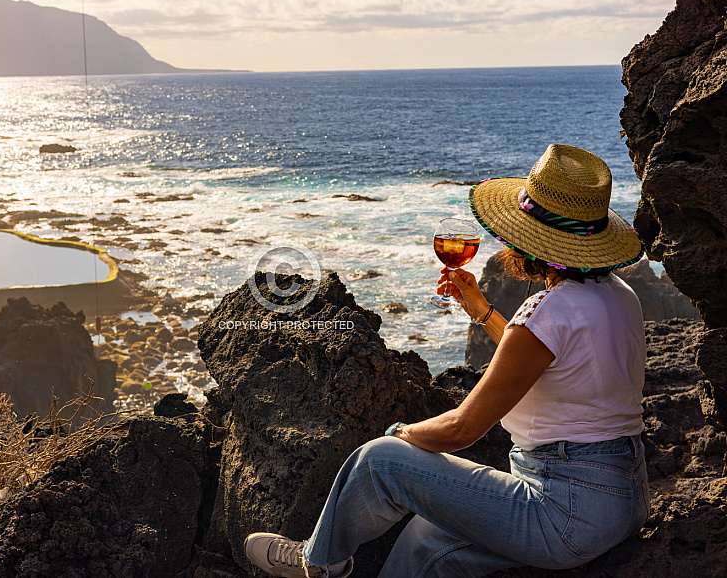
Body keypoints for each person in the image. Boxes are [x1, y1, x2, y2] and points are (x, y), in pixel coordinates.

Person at [243, 144, 650, 578]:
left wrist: (400, 433)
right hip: (622, 500)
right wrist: (482, 310)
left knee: (380, 460)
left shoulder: (549, 311)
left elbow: (462, 429)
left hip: (560, 512)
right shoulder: (618, 296)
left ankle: (318, 563)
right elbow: (540, 363)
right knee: (425, 540)